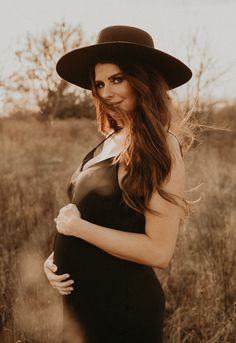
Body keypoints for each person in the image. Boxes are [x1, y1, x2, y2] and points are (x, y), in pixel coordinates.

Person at [44, 25, 192, 343]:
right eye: (99, 83)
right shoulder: (111, 140)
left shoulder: (160, 145)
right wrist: (53, 260)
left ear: (143, 80)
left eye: (117, 79)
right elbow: (99, 218)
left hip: (122, 309)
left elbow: (159, 252)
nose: (106, 92)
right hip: (83, 307)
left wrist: (76, 230)